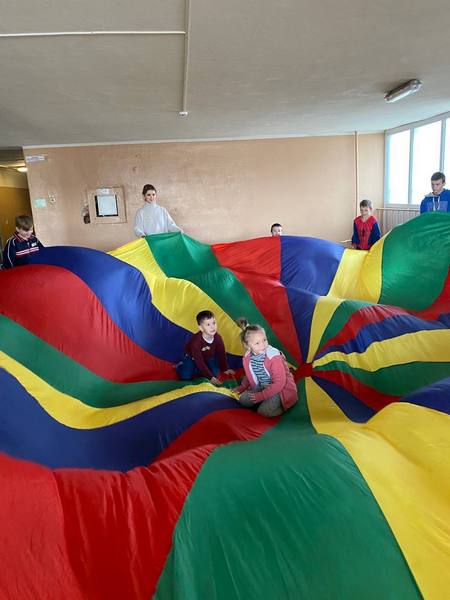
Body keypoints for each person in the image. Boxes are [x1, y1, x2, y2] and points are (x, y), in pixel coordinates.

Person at [234, 321, 297, 417]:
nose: (263, 345)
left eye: (264, 340)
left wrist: (261, 396)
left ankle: (285, 405)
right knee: (243, 400)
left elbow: (279, 383)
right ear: (248, 346)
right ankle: (263, 401)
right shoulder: (247, 358)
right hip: (261, 386)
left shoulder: (273, 357)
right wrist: (242, 387)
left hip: (280, 390)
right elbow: (250, 374)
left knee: (263, 412)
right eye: (257, 343)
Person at [176, 310, 235, 385]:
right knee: (186, 377)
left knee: (215, 373)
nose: (212, 327)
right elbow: (199, 361)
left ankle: (199, 370)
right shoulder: (196, 341)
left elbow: (222, 354)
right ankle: (180, 366)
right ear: (201, 328)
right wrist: (211, 378)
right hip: (192, 358)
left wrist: (225, 368)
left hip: (208, 357)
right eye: (208, 325)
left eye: (214, 323)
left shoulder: (218, 338)